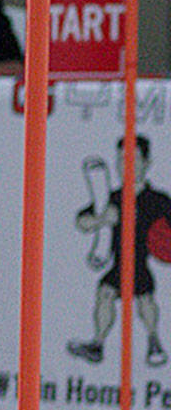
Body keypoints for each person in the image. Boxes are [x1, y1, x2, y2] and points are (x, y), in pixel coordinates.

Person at [67, 135, 171, 367]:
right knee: (104, 293)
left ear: (147, 162)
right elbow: (81, 221)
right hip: (118, 264)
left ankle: (154, 342)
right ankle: (98, 344)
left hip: (139, 263)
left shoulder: (157, 200)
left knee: (145, 300)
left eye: (133, 160)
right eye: (122, 160)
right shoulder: (111, 198)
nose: (127, 166)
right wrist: (102, 219)